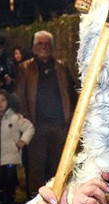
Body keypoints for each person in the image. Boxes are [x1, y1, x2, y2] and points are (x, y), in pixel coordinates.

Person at [14, 30, 76, 195]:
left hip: (59, 126)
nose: (44, 47)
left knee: (59, 167)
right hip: (36, 127)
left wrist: (70, 122)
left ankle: (60, 198)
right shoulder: (24, 68)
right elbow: (19, 96)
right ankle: (35, 202)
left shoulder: (61, 67)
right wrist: (27, 122)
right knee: (36, 169)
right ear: (34, 47)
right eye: (40, 44)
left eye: (47, 44)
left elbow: (72, 94)